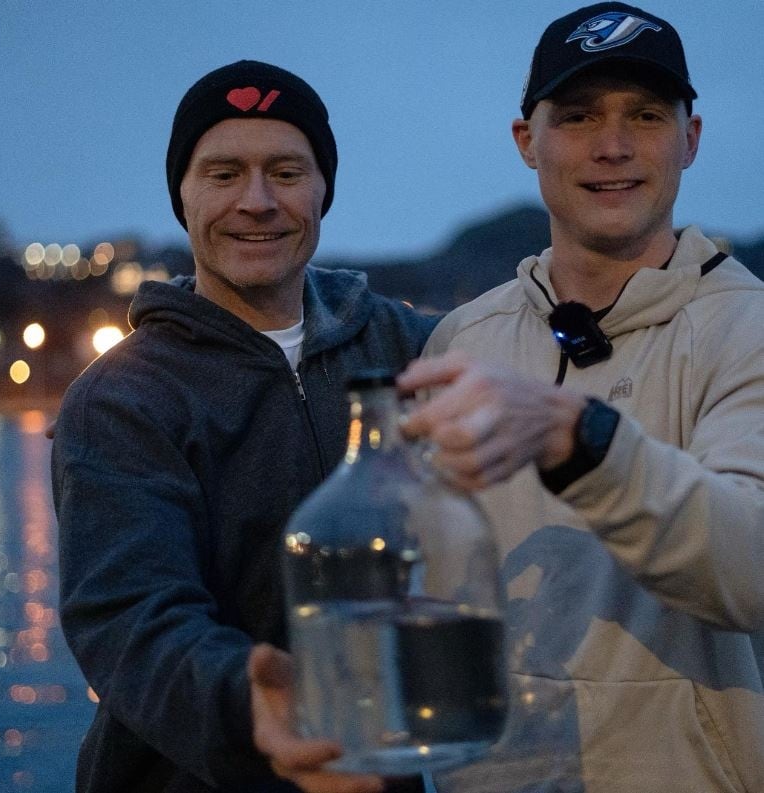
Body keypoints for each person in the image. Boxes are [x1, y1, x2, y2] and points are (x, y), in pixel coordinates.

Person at [249, 4, 764, 792]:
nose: (614, 145)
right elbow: (414, 578)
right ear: (528, 140)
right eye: (579, 115)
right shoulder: (462, 338)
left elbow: (751, 568)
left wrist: (578, 437)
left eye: (647, 115)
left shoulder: (747, 326)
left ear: (690, 138)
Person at [51, 59, 439, 793]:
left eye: (286, 172)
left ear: (323, 188)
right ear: (183, 197)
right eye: (223, 174)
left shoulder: (401, 346)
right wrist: (246, 702)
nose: (256, 201)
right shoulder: (122, 398)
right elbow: (131, 618)